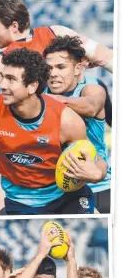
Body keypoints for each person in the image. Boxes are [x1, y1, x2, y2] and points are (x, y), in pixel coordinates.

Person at [0, 0, 113, 215]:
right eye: (50, 67)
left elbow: (96, 95)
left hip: (94, 181)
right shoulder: (26, 66)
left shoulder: (90, 87)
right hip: (49, 172)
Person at [0, 48, 107, 215]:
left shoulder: (66, 120)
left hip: (66, 201)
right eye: (3, 77)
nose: (3, 85)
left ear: (32, 86)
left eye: (11, 79)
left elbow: (95, 160)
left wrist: (97, 173)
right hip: (18, 203)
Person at [44, 36, 111, 213]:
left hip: (99, 187)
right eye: (48, 68)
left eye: (60, 67)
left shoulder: (91, 89)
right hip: (57, 190)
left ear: (77, 68)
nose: (53, 73)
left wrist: (46, 101)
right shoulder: (39, 92)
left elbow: (91, 106)